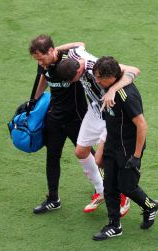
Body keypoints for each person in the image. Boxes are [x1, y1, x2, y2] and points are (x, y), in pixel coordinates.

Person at [56, 49, 140, 216]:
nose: (72, 83)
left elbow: (134, 70)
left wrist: (112, 90)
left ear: (79, 71)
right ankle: (101, 191)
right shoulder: (74, 56)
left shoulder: (95, 67)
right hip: (95, 111)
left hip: (110, 116)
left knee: (103, 160)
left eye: (73, 80)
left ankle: (123, 195)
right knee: (81, 152)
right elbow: (78, 44)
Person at [28, 34, 105, 214]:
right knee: (52, 157)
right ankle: (53, 198)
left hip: (76, 118)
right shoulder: (44, 64)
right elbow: (44, 78)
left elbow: (81, 43)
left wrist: (59, 50)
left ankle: (101, 188)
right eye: (37, 60)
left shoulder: (70, 61)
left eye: (42, 58)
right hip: (54, 117)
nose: (40, 63)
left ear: (51, 51)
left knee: (89, 154)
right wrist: (33, 100)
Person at [88, 56, 158, 241]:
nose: (96, 81)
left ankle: (150, 206)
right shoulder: (108, 87)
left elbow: (142, 125)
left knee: (127, 186)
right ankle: (114, 225)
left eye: (99, 77)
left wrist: (136, 156)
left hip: (128, 148)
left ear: (112, 76)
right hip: (112, 144)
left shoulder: (126, 95)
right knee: (109, 186)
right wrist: (103, 145)